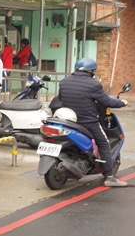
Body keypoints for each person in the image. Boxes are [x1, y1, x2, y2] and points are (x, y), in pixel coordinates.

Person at [51, 57, 129, 187]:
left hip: (68, 120)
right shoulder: (94, 85)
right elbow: (107, 102)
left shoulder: (64, 81)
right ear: (91, 71)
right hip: (87, 122)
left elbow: (61, 98)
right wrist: (122, 103)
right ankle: (109, 177)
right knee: (104, 142)